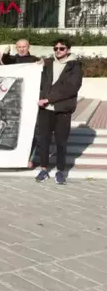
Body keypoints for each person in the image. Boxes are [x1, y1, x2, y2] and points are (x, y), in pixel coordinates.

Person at [36, 39, 83, 184]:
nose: (58, 51)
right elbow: (38, 81)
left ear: (68, 50)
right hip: (45, 109)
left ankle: (60, 171)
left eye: (61, 48)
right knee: (43, 140)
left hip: (62, 109)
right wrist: (35, 67)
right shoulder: (48, 63)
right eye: (55, 48)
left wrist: (48, 99)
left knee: (61, 142)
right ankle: (43, 169)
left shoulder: (74, 67)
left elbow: (70, 88)